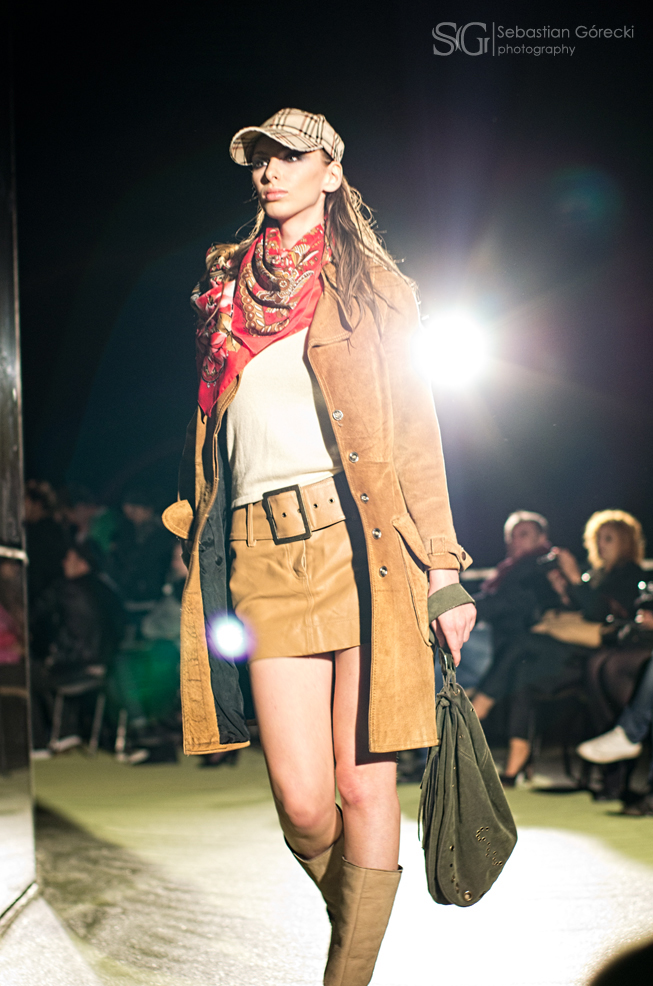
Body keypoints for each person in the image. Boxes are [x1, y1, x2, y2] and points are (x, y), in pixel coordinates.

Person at [163, 108, 476, 986]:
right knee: (303, 805)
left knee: (363, 783)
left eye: (290, 155)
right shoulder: (224, 289)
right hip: (257, 550)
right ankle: (360, 924)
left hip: (357, 544)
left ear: (331, 172)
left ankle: (347, 976)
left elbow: (416, 435)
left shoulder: (376, 291)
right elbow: (210, 428)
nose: (269, 170)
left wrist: (444, 570)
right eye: (259, 158)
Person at [497, 509, 646, 786]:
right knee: (523, 676)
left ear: (625, 542)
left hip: (605, 655)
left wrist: (576, 581)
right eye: (598, 538)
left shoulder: (631, 574)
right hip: (582, 656)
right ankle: (518, 758)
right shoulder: (595, 574)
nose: (600, 545)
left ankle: (616, 775)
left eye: (609, 538)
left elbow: (602, 615)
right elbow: (581, 610)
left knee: (592, 671)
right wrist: (565, 591)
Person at [471, 510, 561, 718]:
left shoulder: (537, 565)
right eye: (511, 536)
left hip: (508, 644)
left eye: (524, 534)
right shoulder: (511, 568)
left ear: (542, 538)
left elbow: (505, 603)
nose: (515, 541)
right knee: (439, 655)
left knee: (440, 642)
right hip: (500, 636)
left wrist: (458, 610)